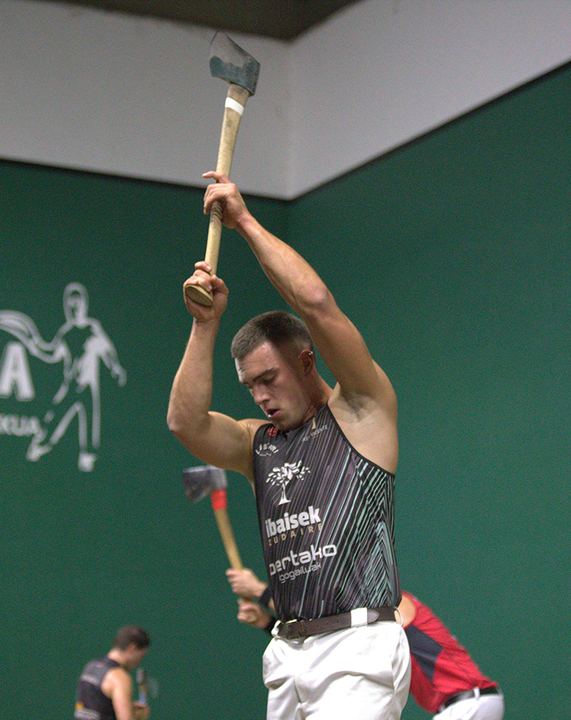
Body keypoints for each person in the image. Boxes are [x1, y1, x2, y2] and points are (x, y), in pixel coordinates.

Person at [167, 171, 410, 720]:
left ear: (305, 362)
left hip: (358, 648)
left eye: (268, 379)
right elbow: (185, 423)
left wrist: (244, 222)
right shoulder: (258, 444)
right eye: (249, 386)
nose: (260, 397)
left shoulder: (361, 409)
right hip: (286, 656)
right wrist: (204, 325)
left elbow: (317, 303)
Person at [229, 569, 504, 720]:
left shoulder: (394, 606)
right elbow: (321, 646)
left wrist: (260, 590)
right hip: (461, 709)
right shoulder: (363, 631)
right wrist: (267, 622)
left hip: (470, 705)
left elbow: (323, 623)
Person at [74, 625, 151, 720]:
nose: (138, 662)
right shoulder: (119, 677)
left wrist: (128, 710)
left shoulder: (90, 667)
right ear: (132, 648)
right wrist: (139, 717)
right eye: (140, 656)